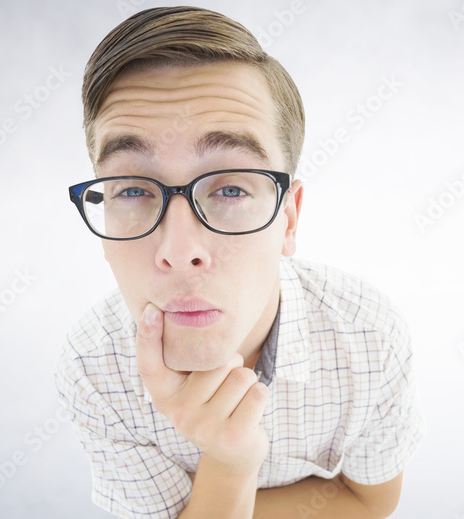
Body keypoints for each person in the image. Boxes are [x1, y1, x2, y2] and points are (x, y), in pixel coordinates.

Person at [54, 6, 425, 518]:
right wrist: (231, 464)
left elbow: (371, 502)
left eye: (229, 187)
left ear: (288, 220)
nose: (180, 250)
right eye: (134, 189)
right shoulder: (93, 367)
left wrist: (212, 493)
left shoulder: (367, 336)